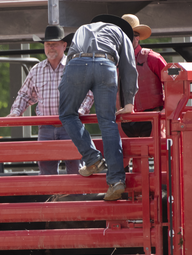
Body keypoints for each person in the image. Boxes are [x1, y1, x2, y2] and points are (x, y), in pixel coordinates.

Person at [58, 14, 137, 201]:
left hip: (77, 64)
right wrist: (129, 101)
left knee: (68, 114)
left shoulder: (83, 28)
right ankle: (116, 180)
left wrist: (68, 87)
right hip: (106, 65)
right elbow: (128, 67)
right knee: (108, 122)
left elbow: (70, 62)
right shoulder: (120, 33)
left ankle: (92, 158)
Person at [7, 25, 94, 175]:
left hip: (71, 125)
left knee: (76, 169)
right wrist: (15, 112)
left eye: (54, 44)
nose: (50, 47)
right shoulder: (36, 70)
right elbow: (24, 95)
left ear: (64, 45)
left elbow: (89, 93)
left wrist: (80, 111)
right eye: (48, 44)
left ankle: (75, 191)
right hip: (46, 127)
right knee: (46, 173)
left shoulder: (75, 67)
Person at [120, 14, 167, 138]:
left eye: (128, 35)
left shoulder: (152, 58)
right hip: (123, 119)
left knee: (158, 148)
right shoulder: (113, 62)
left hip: (152, 117)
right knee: (123, 150)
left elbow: (172, 84)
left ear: (137, 37)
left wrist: (166, 109)